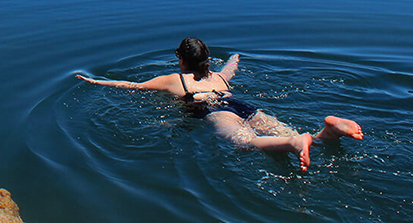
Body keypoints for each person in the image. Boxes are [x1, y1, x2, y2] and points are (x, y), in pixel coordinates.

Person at [76, 37, 363, 171]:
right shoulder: (219, 78)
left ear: (182, 60)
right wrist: (234, 58)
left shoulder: (176, 80)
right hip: (239, 104)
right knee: (279, 130)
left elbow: (133, 86)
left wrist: (95, 82)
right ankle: (328, 133)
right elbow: (231, 69)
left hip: (214, 111)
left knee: (247, 142)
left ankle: (294, 144)